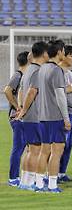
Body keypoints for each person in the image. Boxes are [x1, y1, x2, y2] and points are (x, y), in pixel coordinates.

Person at [32, 40, 71, 193]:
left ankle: (39, 184)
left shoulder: (41, 69)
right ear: (60, 52)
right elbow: (60, 96)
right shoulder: (56, 70)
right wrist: (66, 118)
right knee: (57, 151)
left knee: (44, 151)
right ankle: (53, 185)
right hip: (55, 117)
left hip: (42, 116)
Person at [15, 42, 47, 191]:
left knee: (30, 150)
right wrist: (24, 109)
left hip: (29, 116)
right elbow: (32, 91)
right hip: (35, 116)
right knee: (37, 150)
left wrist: (21, 108)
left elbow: (21, 91)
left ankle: (25, 180)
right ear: (44, 53)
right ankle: (33, 181)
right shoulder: (38, 71)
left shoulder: (27, 70)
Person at [5, 51, 29, 187]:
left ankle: (25, 175)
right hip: (17, 118)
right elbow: (7, 90)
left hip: (24, 117)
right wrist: (17, 107)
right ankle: (13, 177)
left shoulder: (24, 76)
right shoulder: (18, 75)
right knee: (18, 147)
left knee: (27, 147)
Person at [58, 45, 72, 183]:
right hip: (62, 114)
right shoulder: (57, 71)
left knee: (69, 145)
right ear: (63, 55)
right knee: (60, 145)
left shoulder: (70, 73)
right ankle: (51, 173)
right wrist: (67, 89)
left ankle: (61, 173)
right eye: (71, 55)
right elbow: (55, 92)